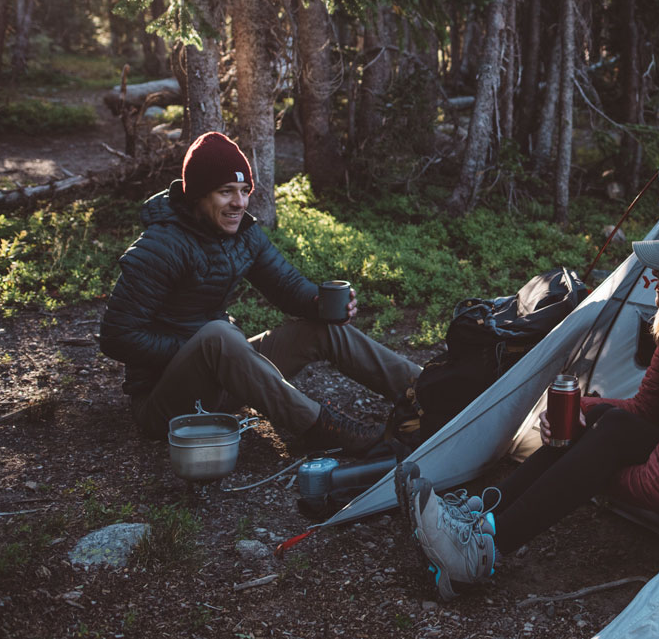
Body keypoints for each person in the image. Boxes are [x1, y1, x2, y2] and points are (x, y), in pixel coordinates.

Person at [399, 220, 659, 599]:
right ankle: (479, 514)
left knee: (612, 432)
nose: (655, 273)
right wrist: (582, 413)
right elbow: (644, 409)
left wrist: (587, 467)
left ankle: (476, 556)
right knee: (607, 421)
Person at [99, 131, 421, 455]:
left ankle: (426, 388)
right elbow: (116, 336)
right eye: (226, 192)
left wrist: (320, 303)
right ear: (198, 195)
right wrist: (196, 350)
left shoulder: (243, 234)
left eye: (244, 191)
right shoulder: (161, 245)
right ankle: (324, 428)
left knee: (321, 330)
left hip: (221, 381)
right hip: (165, 405)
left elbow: (286, 286)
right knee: (220, 335)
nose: (238, 203)